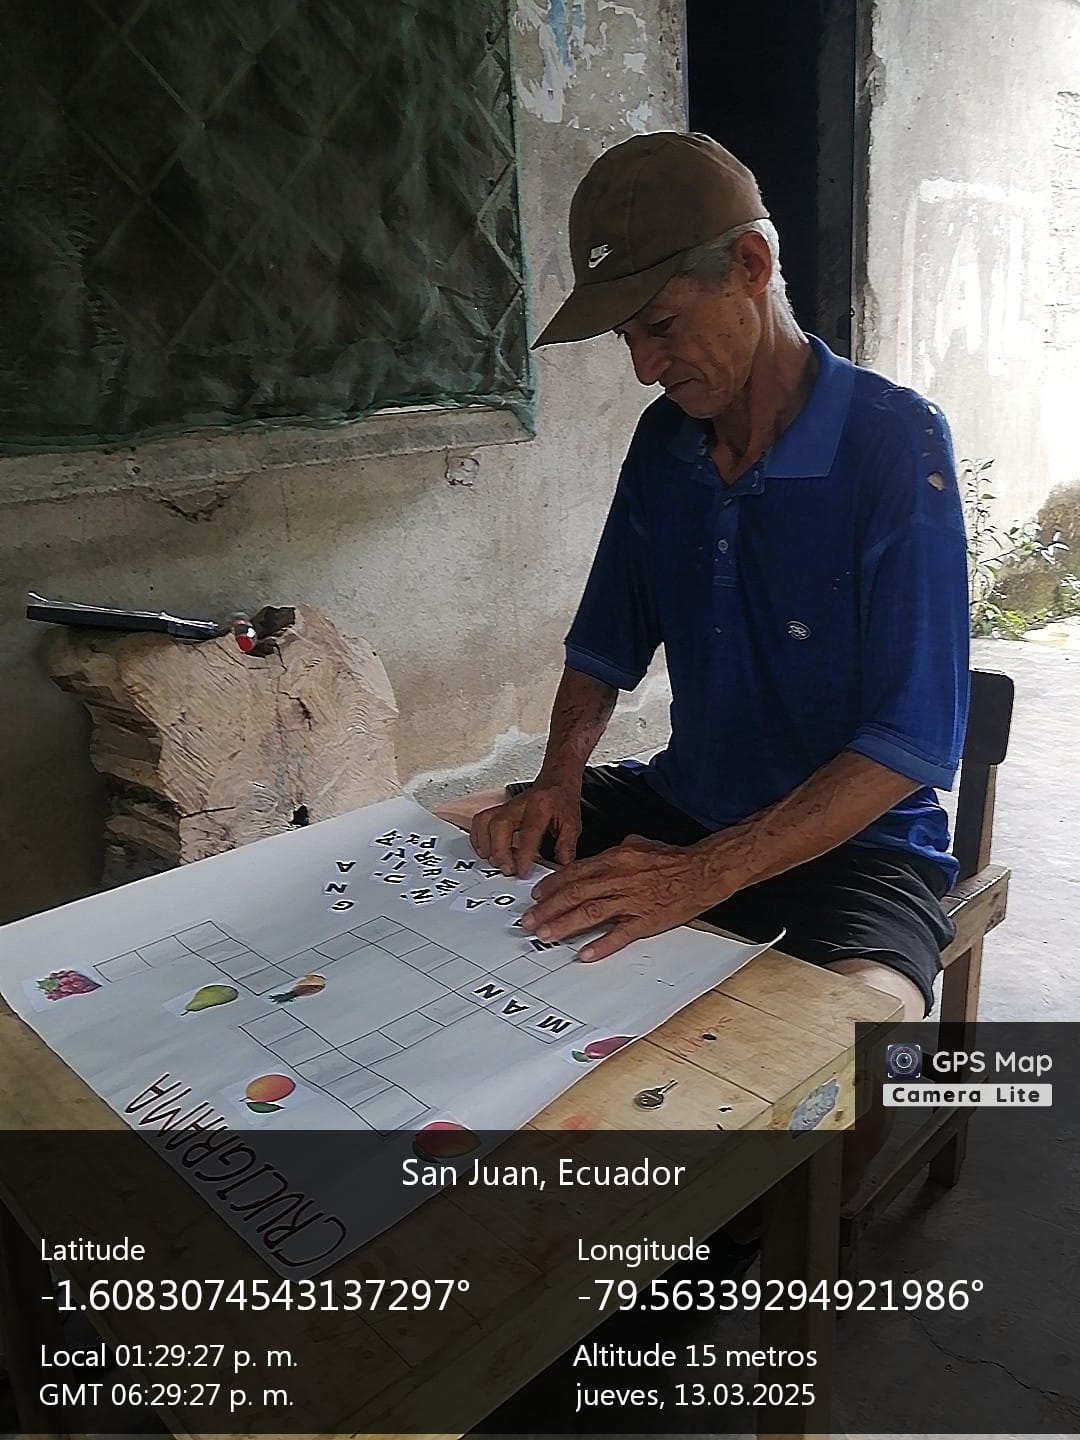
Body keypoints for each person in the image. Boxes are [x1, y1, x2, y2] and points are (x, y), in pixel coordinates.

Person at [440, 131, 969, 1194]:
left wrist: (704, 876)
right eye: (629, 338)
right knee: (457, 836)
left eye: (663, 326)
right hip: (685, 805)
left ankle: (764, 1238)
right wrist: (555, 779)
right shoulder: (665, 447)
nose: (646, 366)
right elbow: (605, 645)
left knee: (858, 1051)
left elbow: (910, 743)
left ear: (752, 269)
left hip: (858, 848)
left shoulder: (893, 444)